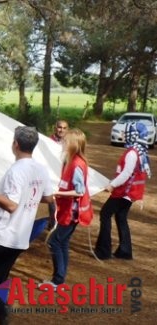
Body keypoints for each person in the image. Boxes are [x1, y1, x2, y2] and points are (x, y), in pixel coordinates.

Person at [0, 126, 54, 325]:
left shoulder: (16, 170)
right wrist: (27, 198)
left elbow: (11, 205)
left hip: (1, 231)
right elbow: (48, 197)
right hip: (21, 234)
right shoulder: (41, 169)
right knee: (0, 272)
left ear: (15, 144)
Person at [43, 129, 93, 287]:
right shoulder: (71, 161)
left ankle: (57, 280)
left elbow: (79, 191)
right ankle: (60, 278)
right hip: (68, 211)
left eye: (66, 141)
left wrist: (56, 192)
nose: (63, 143)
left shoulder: (77, 164)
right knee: (62, 242)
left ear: (74, 145)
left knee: (54, 242)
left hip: (71, 212)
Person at [95, 121, 151, 260]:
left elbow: (126, 173)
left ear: (133, 135)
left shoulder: (132, 153)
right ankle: (125, 251)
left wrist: (112, 185)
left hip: (123, 192)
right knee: (121, 218)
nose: (124, 135)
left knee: (105, 214)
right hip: (131, 193)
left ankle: (104, 251)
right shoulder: (140, 151)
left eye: (126, 132)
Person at [47, 120, 69, 229]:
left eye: (64, 128)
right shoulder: (48, 141)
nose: (62, 130)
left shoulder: (69, 143)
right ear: (55, 128)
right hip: (51, 175)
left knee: (61, 200)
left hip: (64, 175)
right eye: (60, 127)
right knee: (52, 200)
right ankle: (53, 223)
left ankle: (56, 222)